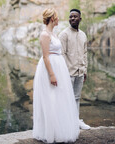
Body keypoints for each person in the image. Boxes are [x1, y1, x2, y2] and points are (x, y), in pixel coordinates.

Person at [33, 8, 79, 143]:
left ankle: (59, 130)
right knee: (50, 99)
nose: (59, 19)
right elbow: (46, 57)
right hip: (50, 69)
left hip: (59, 67)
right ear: (52, 19)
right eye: (57, 17)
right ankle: (49, 133)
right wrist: (52, 75)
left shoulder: (53, 33)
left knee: (59, 98)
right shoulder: (45, 35)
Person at [59, 9, 91, 130]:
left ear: (80, 19)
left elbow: (85, 53)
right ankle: (65, 123)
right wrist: (63, 73)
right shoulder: (64, 34)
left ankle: (76, 120)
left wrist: (85, 70)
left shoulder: (83, 35)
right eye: (70, 17)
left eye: (75, 17)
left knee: (77, 97)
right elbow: (61, 55)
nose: (72, 19)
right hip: (68, 73)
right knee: (66, 98)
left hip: (80, 72)